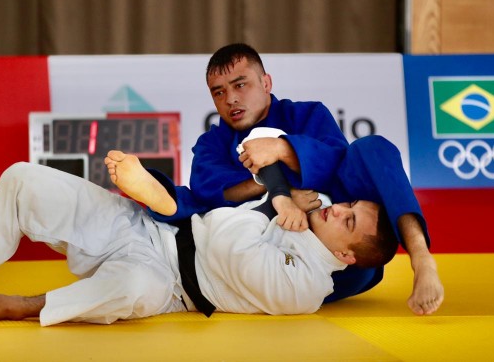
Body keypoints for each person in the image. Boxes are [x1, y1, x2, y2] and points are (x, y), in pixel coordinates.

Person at [0, 153, 396, 325]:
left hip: (170, 284)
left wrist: (277, 203)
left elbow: (226, 241)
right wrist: (282, 205)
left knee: (132, 291)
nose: (339, 208)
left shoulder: (306, 289)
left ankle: (18, 306)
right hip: (147, 226)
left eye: (349, 220)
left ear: (344, 255)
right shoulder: (309, 211)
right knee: (23, 178)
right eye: (350, 204)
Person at [146, 43, 444, 315]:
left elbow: (338, 166)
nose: (231, 99)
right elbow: (208, 193)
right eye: (219, 92)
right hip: (258, 261)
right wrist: (277, 192)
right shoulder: (212, 142)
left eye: (240, 85)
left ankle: (421, 255)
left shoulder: (308, 114)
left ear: (266, 83)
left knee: (372, 150)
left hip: (333, 260)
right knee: (190, 204)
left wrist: (283, 149)